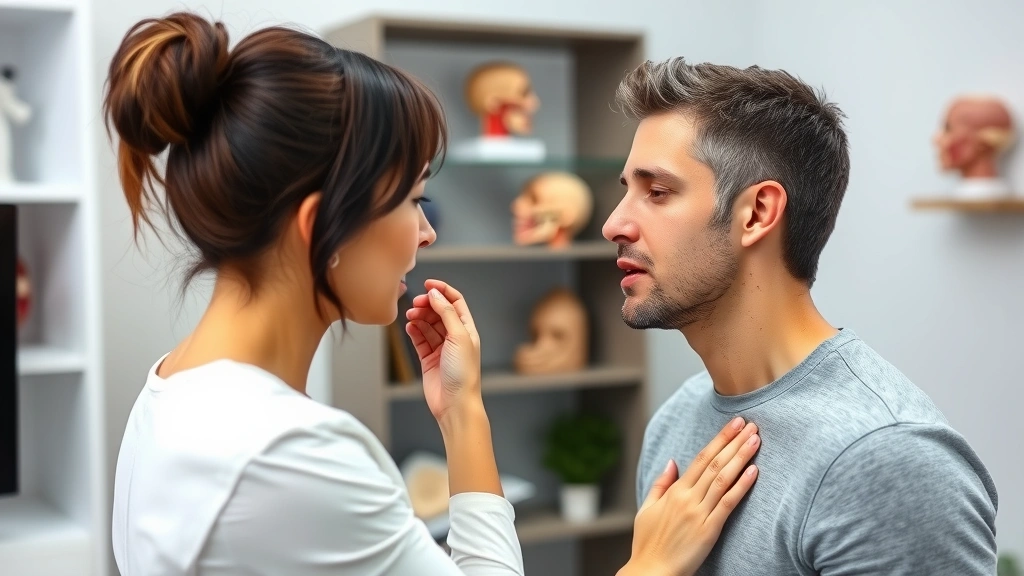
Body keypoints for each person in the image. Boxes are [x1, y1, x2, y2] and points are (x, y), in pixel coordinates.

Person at [104, 13, 762, 576]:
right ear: (318, 228)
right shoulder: (290, 454)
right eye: (415, 200)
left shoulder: (168, 394)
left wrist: (460, 409)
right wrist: (649, 565)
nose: (424, 234)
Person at [605, 57, 1000, 575]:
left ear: (757, 214)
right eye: (626, 192)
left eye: (657, 192)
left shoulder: (884, 458)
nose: (615, 224)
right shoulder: (677, 420)